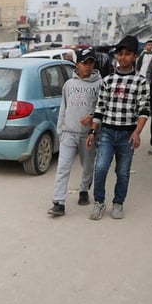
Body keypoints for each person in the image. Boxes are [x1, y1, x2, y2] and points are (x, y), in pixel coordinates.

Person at [86, 35, 150, 220]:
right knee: (100, 167)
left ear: (134, 56)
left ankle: (118, 203)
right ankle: (99, 202)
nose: (123, 58)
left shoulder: (141, 82)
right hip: (106, 132)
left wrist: (137, 132)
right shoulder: (108, 80)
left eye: (127, 54)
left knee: (122, 172)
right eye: (120, 54)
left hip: (127, 135)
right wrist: (92, 130)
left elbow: (144, 109)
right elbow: (100, 107)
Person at [48, 47, 103, 216]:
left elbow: (103, 108)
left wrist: (93, 117)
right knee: (63, 167)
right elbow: (63, 108)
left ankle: (84, 189)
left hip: (88, 134)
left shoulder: (100, 84)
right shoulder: (69, 85)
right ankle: (59, 202)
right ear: (77, 64)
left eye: (90, 62)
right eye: (84, 62)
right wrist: (60, 131)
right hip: (69, 132)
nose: (87, 66)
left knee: (87, 165)